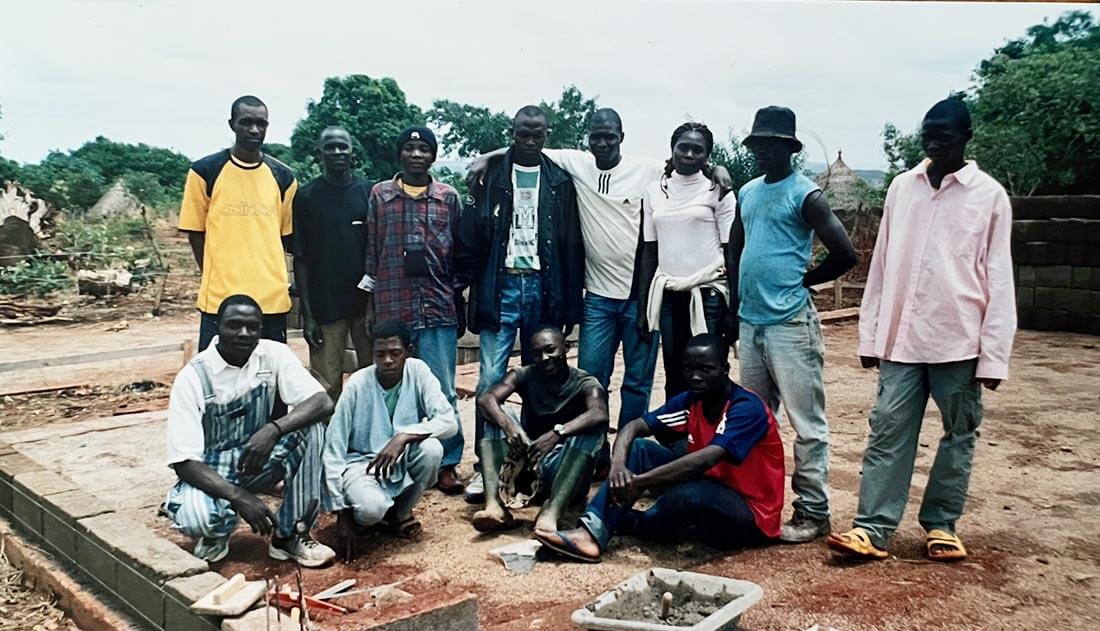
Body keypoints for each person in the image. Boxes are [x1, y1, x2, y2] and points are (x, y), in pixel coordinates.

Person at [465, 109, 734, 441]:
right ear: (587, 137)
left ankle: (628, 450)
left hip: (641, 298)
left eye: (610, 136)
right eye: (596, 136)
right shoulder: (577, 164)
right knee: (592, 380)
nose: (602, 142)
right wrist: (485, 159)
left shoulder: (647, 171)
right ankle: (591, 453)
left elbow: (683, 164)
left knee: (637, 382)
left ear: (622, 137)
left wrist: (716, 168)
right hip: (598, 299)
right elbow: (527, 146)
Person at [827, 98, 1016, 562]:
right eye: (927, 134)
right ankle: (872, 529)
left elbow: (998, 277)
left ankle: (941, 525)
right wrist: (870, 336)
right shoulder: (901, 188)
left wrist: (993, 355)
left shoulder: (989, 196)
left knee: (959, 433)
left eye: (943, 136)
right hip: (901, 339)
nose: (933, 143)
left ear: (966, 136)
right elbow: (883, 263)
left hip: (959, 339)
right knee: (888, 429)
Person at [726, 106, 858, 543]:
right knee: (753, 420)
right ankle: (754, 505)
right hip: (751, 321)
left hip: (789, 323)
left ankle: (814, 510)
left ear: (788, 148)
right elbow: (736, 249)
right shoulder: (748, 193)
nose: (762, 152)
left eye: (770, 146)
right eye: (757, 145)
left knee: (806, 422)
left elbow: (845, 253)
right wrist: (734, 306)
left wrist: (806, 280)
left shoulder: (806, 195)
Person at [535, 334, 785, 562]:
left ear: (725, 370)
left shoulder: (745, 407)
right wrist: (619, 465)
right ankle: (592, 530)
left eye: (706, 369)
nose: (695, 376)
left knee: (687, 495)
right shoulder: (692, 400)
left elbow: (706, 460)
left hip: (751, 514)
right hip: (712, 488)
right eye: (689, 368)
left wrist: (639, 481)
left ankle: (635, 523)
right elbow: (634, 427)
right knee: (641, 449)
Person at [459, 106, 585, 502]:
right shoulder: (492, 175)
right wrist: (475, 290)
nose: (530, 141)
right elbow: (477, 235)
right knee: (489, 378)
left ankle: (533, 462)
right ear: (511, 133)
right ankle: (486, 466)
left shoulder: (560, 180)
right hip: (503, 286)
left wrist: (567, 304)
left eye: (537, 134)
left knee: (540, 380)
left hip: (543, 289)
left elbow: (569, 245)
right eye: (522, 134)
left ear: (547, 134)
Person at [163, 295, 336, 567]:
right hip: (213, 469)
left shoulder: (272, 354)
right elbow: (183, 462)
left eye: (252, 327)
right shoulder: (194, 377)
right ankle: (216, 532)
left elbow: (322, 402)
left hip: (258, 459)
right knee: (196, 517)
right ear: (218, 326)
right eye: (234, 325)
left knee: (313, 429)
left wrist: (273, 429)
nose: (244, 333)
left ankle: (290, 534)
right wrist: (239, 497)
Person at [361, 126, 468, 494]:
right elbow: (371, 253)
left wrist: (457, 298)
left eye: (424, 149)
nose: (417, 154)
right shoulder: (380, 195)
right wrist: (370, 305)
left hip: (437, 305)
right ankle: (391, 456)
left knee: (443, 389)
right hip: (394, 305)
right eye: (410, 148)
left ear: (433, 156)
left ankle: (448, 463)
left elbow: (457, 253)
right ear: (400, 154)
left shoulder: (447, 198)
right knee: (394, 385)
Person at [322, 319, 458, 546]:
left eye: (395, 353)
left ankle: (400, 514)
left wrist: (403, 437)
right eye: (380, 354)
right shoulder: (357, 383)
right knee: (371, 511)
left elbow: (448, 422)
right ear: (373, 354)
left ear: (408, 351)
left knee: (432, 449)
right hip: (362, 464)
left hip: (399, 457)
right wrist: (341, 511)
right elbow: (334, 448)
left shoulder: (418, 371)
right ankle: (373, 513)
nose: (387, 360)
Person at [179, 95, 298, 350]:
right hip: (220, 300)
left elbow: (284, 237)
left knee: (268, 378)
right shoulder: (205, 172)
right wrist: (214, 274)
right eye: (246, 122)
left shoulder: (284, 177)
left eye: (261, 123)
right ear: (232, 124)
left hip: (271, 299)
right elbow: (196, 233)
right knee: (217, 377)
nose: (254, 130)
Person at [472, 327, 608, 533]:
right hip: (527, 466)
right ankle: (495, 507)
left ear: (566, 348)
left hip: (564, 471)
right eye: (537, 353)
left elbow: (600, 413)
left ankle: (552, 512)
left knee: (591, 429)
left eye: (550, 350)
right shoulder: (524, 374)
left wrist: (557, 433)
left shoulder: (585, 382)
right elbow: (486, 399)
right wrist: (510, 427)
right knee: (495, 414)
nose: (544, 358)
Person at [638, 122, 737, 400]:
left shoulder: (719, 191)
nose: (690, 154)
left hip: (708, 297)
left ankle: (710, 436)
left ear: (707, 155)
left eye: (698, 149)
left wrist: (734, 310)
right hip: (669, 295)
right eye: (684, 147)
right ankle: (678, 441)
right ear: (672, 149)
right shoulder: (654, 191)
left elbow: (731, 252)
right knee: (675, 371)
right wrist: (642, 308)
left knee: (709, 374)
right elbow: (649, 250)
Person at [293, 126, 372, 403]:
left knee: (373, 382)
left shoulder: (369, 193)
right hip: (326, 307)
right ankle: (325, 444)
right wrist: (308, 314)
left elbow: (378, 254)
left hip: (366, 308)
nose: (337, 152)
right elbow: (301, 258)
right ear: (319, 153)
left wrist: (376, 306)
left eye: (343, 146)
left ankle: (370, 442)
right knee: (325, 386)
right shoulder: (306, 197)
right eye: (330, 147)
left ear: (352, 152)